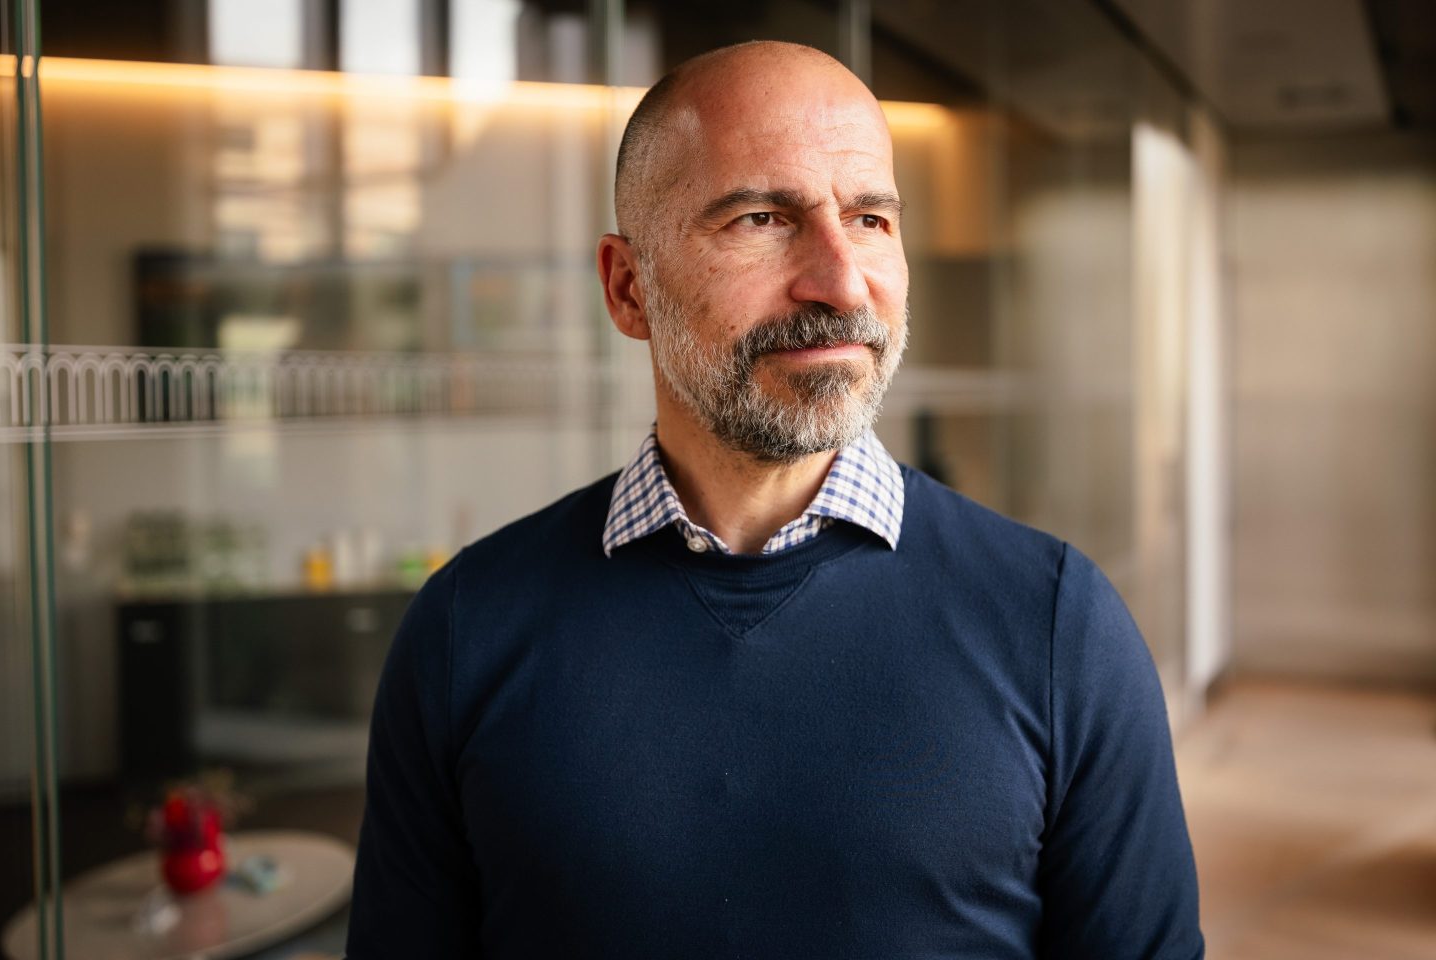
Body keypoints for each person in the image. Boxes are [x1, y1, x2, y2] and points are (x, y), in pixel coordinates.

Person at [347, 41, 1204, 959]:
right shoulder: (465, 628)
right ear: (627, 286)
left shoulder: (1057, 623)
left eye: (871, 219)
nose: (841, 282)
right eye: (761, 218)